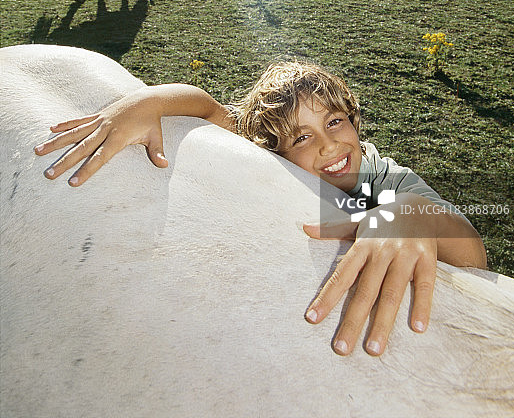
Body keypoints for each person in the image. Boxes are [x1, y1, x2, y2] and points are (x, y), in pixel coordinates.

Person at [34, 60, 486, 357]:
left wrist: (408, 213)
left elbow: (474, 257)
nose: (329, 145)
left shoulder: (386, 179)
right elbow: (207, 107)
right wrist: (145, 101)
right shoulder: (272, 159)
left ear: (353, 118)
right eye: (302, 137)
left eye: (334, 122)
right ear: (275, 151)